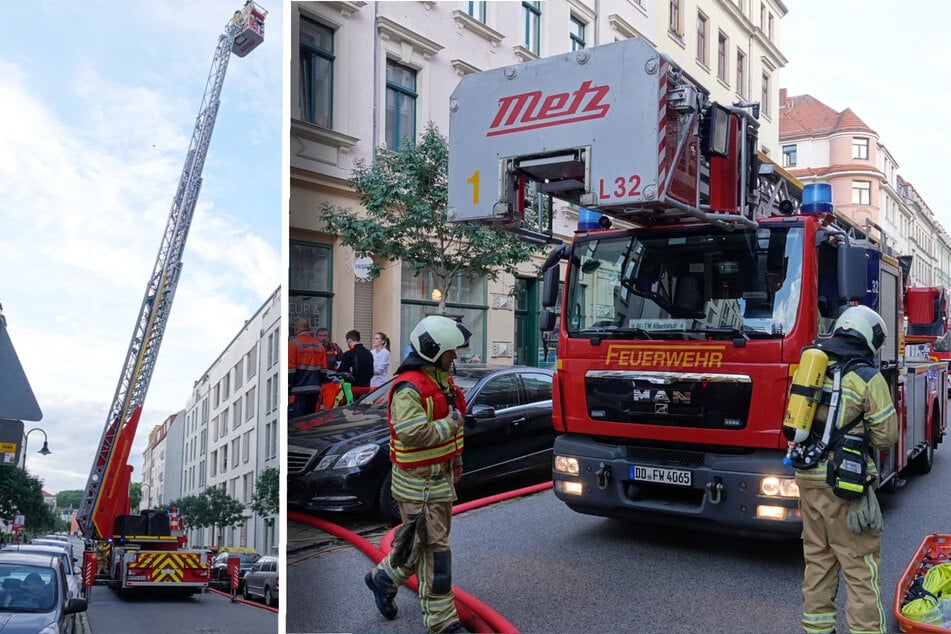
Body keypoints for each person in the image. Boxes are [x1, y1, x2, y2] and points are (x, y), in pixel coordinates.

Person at [790, 305, 898, 634]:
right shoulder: (867, 375)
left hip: (807, 477)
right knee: (861, 568)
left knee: (818, 562)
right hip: (845, 485)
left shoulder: (811, 365)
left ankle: (817, 630)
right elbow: (886, 438)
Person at [365, 315, 472, 634]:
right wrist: (452, 424)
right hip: (417, 485)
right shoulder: (409, 388)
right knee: (435, 551)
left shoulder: (440, 380)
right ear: (432, 351)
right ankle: (442, 621)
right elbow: (413, 433)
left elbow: (447, 427)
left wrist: (456, 461)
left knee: (417, 545)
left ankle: (382, 579)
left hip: (436, 481)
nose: (454, 357)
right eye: (451, 352)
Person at [287, 318, 327, 418]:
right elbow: (324, 371)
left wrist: (287, 389)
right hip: (314, 391)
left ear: (296, 329)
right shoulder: (319, 346)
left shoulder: (293, 344)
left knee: (295, 424)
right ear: (309, 329)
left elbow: (290, 371)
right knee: (309, 422)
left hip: (297, 392)